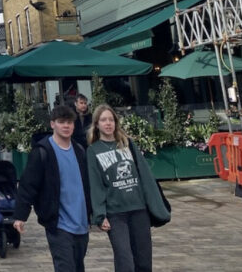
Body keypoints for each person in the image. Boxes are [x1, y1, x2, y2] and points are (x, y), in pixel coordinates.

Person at [87, 104, 169, 272]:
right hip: (116, 214)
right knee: (125, 261)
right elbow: (95, 184)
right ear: (96, 124)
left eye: (111, 119)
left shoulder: (127, 144)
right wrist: (100, 215)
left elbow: (144, 175)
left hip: (139, 210)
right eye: (103, 120)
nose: (108, 123)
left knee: (144, 261)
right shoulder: (93, 151)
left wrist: (153, 204)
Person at [13, 104, 92, 272]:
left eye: (69, 122)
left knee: (78, 267)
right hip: (59, 223)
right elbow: (28, 185)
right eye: (61, 122)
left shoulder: (79, 150)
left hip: (81, 222)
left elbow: (89, 185)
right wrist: (20, 216)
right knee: (65, 267)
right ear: (52, 124)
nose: (66, 126)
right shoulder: (43, 151)